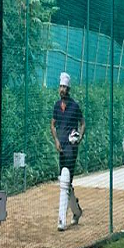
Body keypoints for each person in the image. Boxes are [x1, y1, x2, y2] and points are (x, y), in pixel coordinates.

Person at [51, 72, 85, 231]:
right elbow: (52, 125)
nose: (62, 89)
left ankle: (61, 221)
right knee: (65, 183)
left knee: (65, 180)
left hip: (72, 148)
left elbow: (82, 123)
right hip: (62, 147)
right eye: (60, 86)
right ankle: (77, 211)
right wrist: (56, 140)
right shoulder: (57, 106)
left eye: (64, 87)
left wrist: (79, 137)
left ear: (68, 89)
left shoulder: (74, 106)